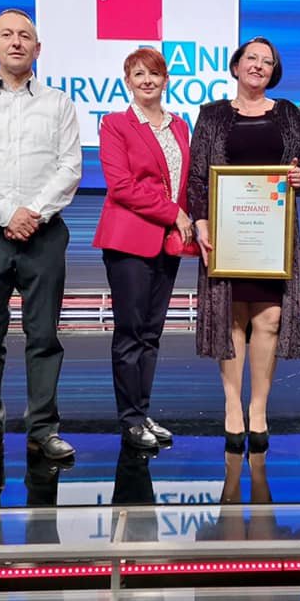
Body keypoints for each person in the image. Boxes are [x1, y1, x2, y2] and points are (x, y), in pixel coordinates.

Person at [0, 8, 82, 468]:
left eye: (25, 36)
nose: (16, 42)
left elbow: (70, 168)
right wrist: (8, 213)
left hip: (44, 234)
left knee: (44, 337)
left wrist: (32, 215)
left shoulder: (59, 103)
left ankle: (43, 430)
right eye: (6, 35)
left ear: (38, 48)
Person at [188, 37, 300, 454]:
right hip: (227, 234)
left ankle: (258, 408)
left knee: (270, 318)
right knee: (233, 318)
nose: (258, 65)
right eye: (251, 58)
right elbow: (198, 176)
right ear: (236, 66)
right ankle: (232, 407)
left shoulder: (290, 114)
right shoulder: (212, 115)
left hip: (272, 235)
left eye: (267, 61)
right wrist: (201, 222)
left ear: (274, 72)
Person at [93, 48, 192, 450]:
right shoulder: (115, 124)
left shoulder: (180, 126)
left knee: (151, 333)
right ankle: (130, 419)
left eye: (154, 73)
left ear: (166, 79)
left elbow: (184, 182)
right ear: (127, 82)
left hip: (167, 243)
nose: (147, 80)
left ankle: (142, 411)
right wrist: (173, 213)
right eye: (138, 74)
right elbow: (122, 187)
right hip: (129, 241)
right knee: (130, 332)